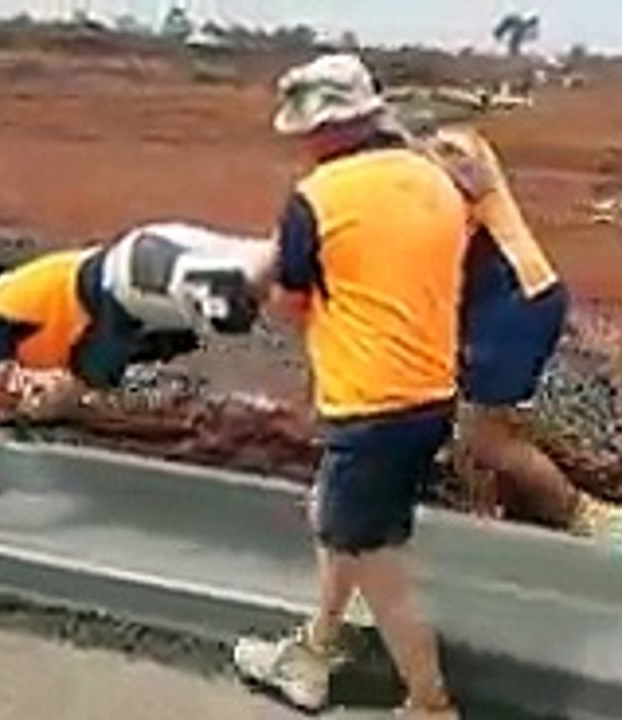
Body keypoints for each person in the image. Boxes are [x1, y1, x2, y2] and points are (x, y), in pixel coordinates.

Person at [231, 54, 465, 719]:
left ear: (332, 128)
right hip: (430, 394)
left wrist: (260, 275)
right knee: (339, 525)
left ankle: (430, 704)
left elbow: (292, 299)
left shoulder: (319, 198)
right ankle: (314, 654)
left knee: (373, 559)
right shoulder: (433, 180)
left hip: (370, 403)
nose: (300, 143)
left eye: (306, 130)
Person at [384, 89, 622, 542]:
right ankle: (479, 522)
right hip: (489, 305)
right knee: (460, 423)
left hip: (515, 301)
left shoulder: (452, 154)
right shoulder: (425, 164)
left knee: (486, 437)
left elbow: (455, 201)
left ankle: (590, 518)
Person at [0, 222, 269, 518]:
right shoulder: (44, 295)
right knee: (269, 263)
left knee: (220, 294)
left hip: (134, 278)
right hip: (154, 254)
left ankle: (208, 285)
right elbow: (88, 374)